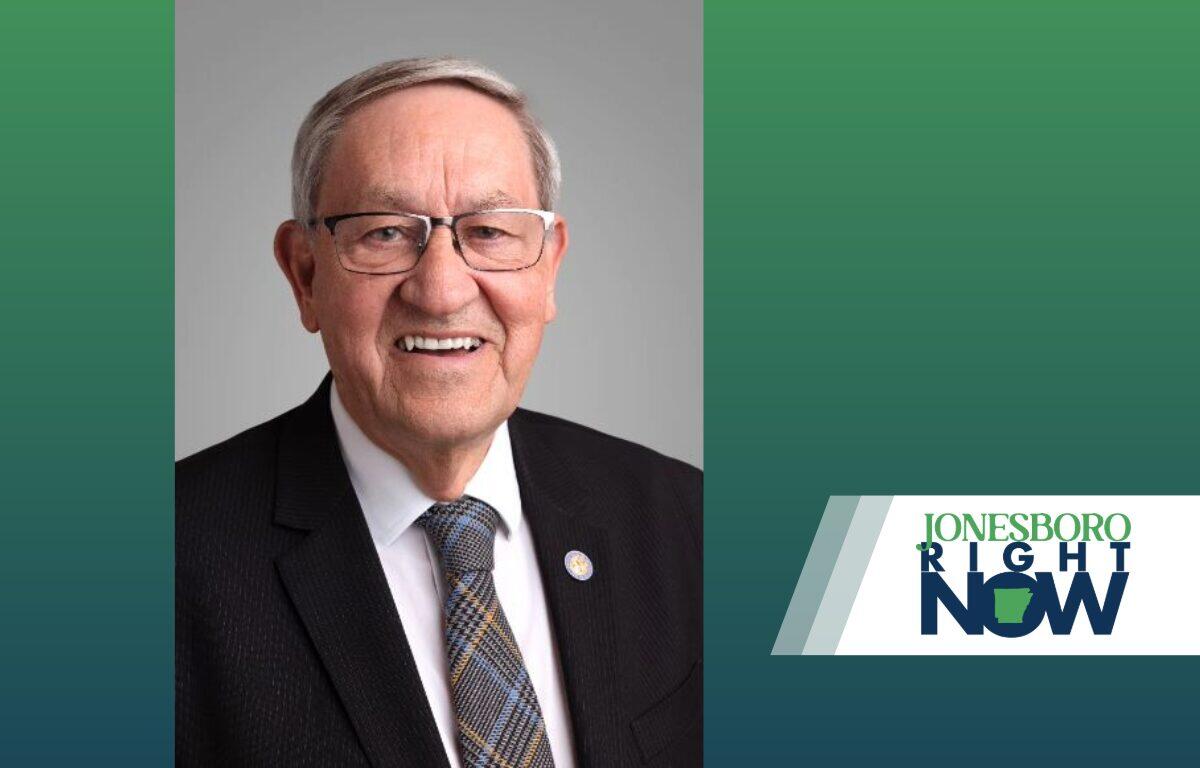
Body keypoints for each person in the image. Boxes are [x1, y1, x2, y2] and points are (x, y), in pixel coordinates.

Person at [176, 58, 702, 767]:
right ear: (304, 274)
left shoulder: (689, 521)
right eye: (386, 232)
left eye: (489, 232)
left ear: (548, 268)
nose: (442, 288)